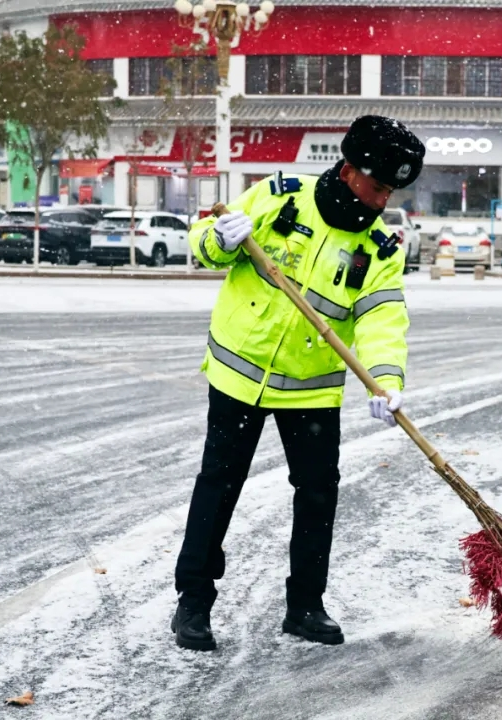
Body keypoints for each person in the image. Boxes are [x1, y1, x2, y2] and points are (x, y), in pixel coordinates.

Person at [171, 115, 425, 652]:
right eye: (378, 186)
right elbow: (203, 244)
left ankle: (305, 606)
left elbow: (383, 319)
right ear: (351, 170)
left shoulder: (379, 249)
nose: (383, 200)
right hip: (239, 374)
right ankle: (193, 602)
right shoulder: (281, 196)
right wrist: (221, 238)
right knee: (218, 487)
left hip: (311, 388)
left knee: (317, 496)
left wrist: (385, 379)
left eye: (391, 191)